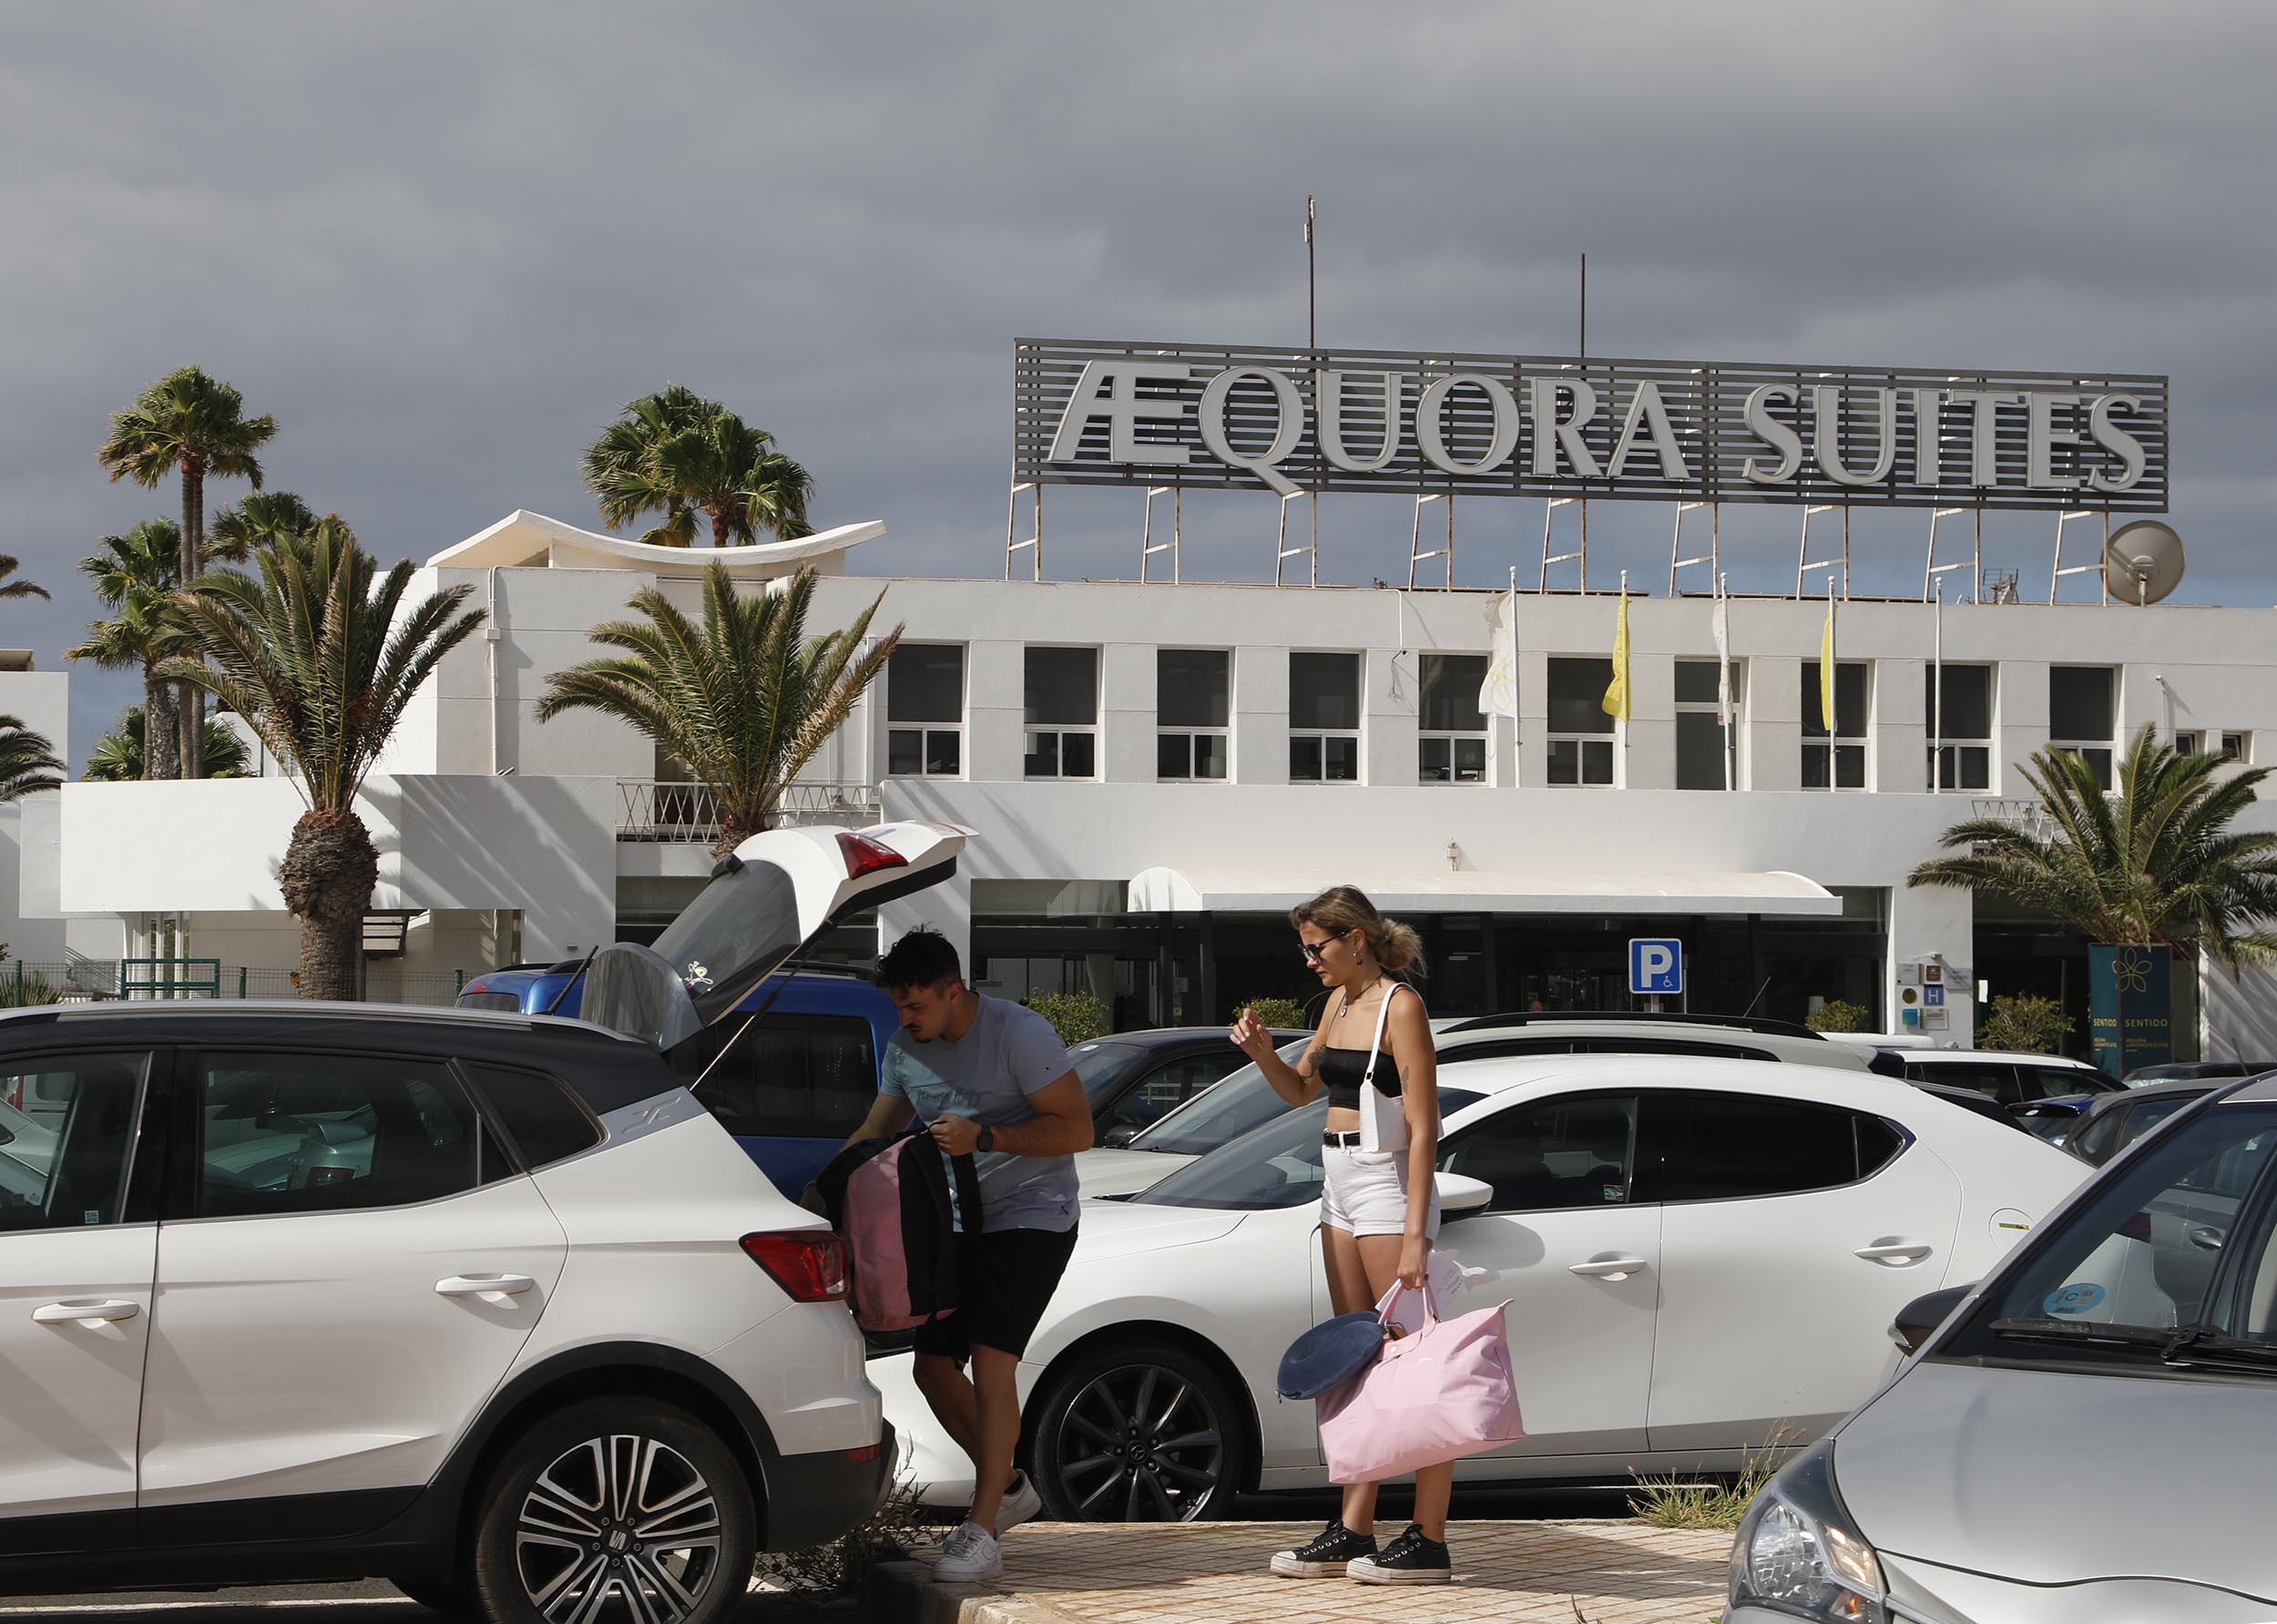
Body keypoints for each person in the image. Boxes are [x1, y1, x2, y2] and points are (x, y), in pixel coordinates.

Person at [832, 927, 1092, 1584]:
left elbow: (1078, 1128)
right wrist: (825, 1185)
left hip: (1034, 1214)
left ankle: (980, 1529)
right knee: (932, 1367)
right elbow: (875, 1130)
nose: (906, 1019)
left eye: (917, 1005)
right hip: (953, 1225)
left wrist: (987, 1136)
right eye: (899, 1007)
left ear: (955, 991)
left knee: (991, 1358)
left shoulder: (1019, 1034)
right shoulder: (903, 1048)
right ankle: (1006, 1485)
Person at [1231, 886, 1454, 1584]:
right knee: (1356, 1356)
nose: (1309, 961)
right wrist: (1264, 1051)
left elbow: (1424, 1129)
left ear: (1355, 939)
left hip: (1389, 1185)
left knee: (1414, 1360)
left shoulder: (1400, 1005)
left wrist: (1415, 1233)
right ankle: (1356, 1526)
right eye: (1303, 947)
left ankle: (1430, 1535)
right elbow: (1303, 1092)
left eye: (1316, 947)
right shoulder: (1336, 1005)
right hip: (1339, 1183)